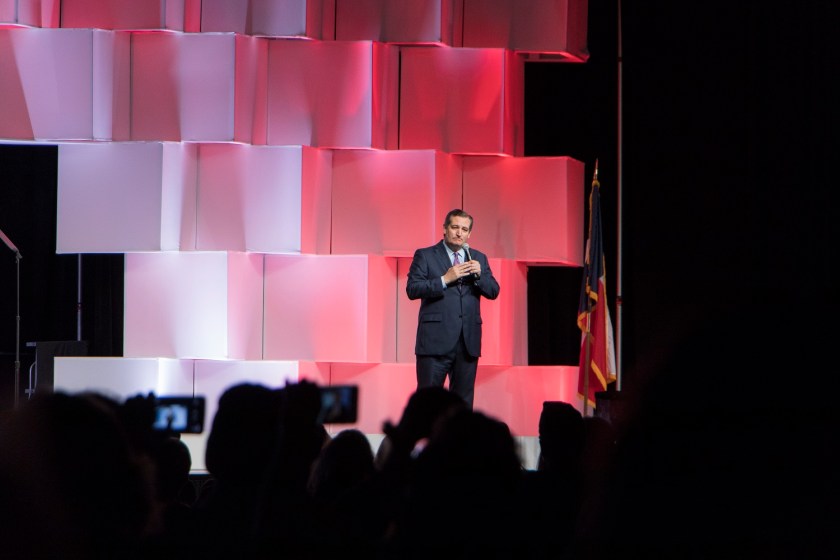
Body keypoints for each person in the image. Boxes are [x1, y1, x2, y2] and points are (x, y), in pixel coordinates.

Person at [406, 208, 500, 409]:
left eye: (464, 229)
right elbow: (413, 289)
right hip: (434, 342)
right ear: (445, 229)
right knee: (428, 405)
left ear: (469, 234)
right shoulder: (425, 255)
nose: (459, 233)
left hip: (467, 343)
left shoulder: (478, 258)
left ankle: (458, 441)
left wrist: (480, 276)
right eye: (455, 227)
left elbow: (493, 291)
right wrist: (444, 280)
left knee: (462, 406)